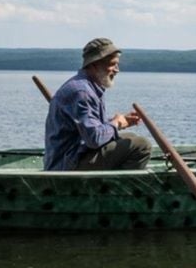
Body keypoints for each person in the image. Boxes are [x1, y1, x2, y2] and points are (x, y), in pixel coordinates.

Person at [43, 37, 152, 171]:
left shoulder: (89, 87)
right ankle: (113, 189)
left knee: (131, 138)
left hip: (72, 156)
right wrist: (116, 124)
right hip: (67, 164)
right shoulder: (82, 92)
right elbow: (94, 139)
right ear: (94, 65)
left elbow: (89, 129)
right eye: (112, 64)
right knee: (141, 145)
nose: (117, 70)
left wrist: (118, 122)